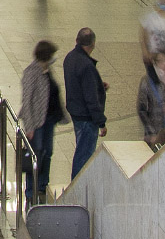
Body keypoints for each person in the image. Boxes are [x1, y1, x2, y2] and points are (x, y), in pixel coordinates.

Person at [20, 40, 66, 205]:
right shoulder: (31, 73)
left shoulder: (46, 70)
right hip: (37, 122)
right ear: (46, 56)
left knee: (48, 152)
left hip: (49, 119)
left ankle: (42, 184)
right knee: (36, 154)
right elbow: (26, 102)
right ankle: (31, 189)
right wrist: (30, 127)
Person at [64, 28, 109, 178]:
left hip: (76, 112)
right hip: (86, 118)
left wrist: (97, 85)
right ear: (92, 45)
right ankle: (77, 190)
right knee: (84, 156)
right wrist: (101, 122)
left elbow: (78, 84)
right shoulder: (86, 65)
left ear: (77, 41)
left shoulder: (70, 58)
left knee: (81, 149)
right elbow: (91, 99)